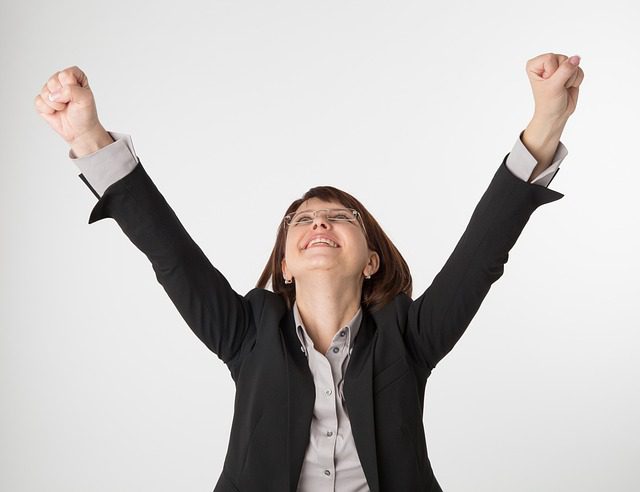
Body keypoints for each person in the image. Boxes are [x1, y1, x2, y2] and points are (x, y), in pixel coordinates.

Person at [35, 53, 584, 492]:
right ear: (286, 266)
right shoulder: (246, 333)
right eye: (302, 220)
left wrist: (546, 121)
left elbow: (481, 253)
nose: (319, 222)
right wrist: (88, 138)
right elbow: (170, 252)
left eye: (339, 217)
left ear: (371, 259)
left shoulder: (410, 336)